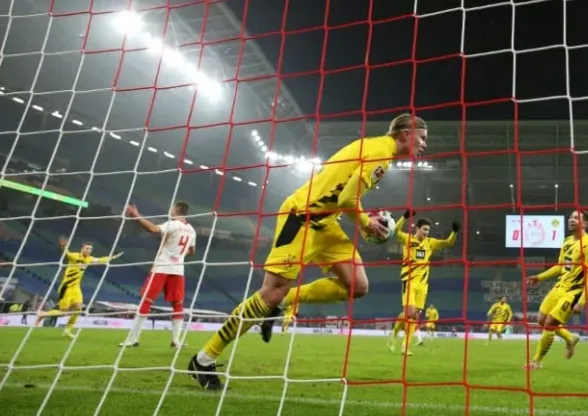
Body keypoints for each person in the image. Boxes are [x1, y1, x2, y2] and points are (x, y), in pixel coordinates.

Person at [188, 114, 428, 390]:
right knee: (269, 292)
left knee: (357, 285)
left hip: (327, 223)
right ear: (405, 134)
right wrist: (366, 223)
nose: (424, 144)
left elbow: (344, 195)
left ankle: (283, 303)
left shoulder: (378, 150)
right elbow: (347, 199)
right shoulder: (380, 154)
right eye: (422, 138)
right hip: (300, 218)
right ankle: (204, 358)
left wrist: (365, 220)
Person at [524, 210, 588, 370]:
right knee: (541, 320)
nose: (571, 220)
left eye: (576, 218)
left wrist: (582, 301)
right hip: (560, 286)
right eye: (571, 217)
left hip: (573, 291)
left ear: (585, 224)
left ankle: (536, 362)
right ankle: (570, 338)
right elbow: (559, 267)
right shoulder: (567, 241)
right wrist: (539, 277)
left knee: (550, 324)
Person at [119, 201, 196, 349]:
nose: (170, 209)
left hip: (162, 267)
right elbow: (192, 251)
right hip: (178, 270)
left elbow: (153, 229)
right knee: (178, 304)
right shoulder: (191, 230)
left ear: (177, 209)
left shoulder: (173, 224)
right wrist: (177, 254)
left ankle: (133, 339)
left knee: (146, 301)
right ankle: (176, 341)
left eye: (172, 207)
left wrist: (136, 215)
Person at [387, 211, 458, 355]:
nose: (426, 232)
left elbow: (448, 243)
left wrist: (455, 232)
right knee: (409, 314)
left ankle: (405, 346)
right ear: (417, 228)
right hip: (409, 281)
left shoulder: (430, 243)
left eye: (428, 230)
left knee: (414, 316)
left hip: (423, 285)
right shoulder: (408, 239)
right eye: (424, 229)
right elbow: (396, 232)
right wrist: (404, 217)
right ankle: (394, 336)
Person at [36, 237, 123, 338]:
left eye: (90, 249)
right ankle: (44, 314)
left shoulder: (89, 259)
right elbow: (67, 253)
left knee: (78, 309)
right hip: (66, 287)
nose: (88, 250)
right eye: (87, 248)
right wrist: (63, 247)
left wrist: (113, 257)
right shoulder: (75, 256)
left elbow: (101, 260)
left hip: (76, 288)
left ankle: (67, 330)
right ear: (82, 249)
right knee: (62, 313)